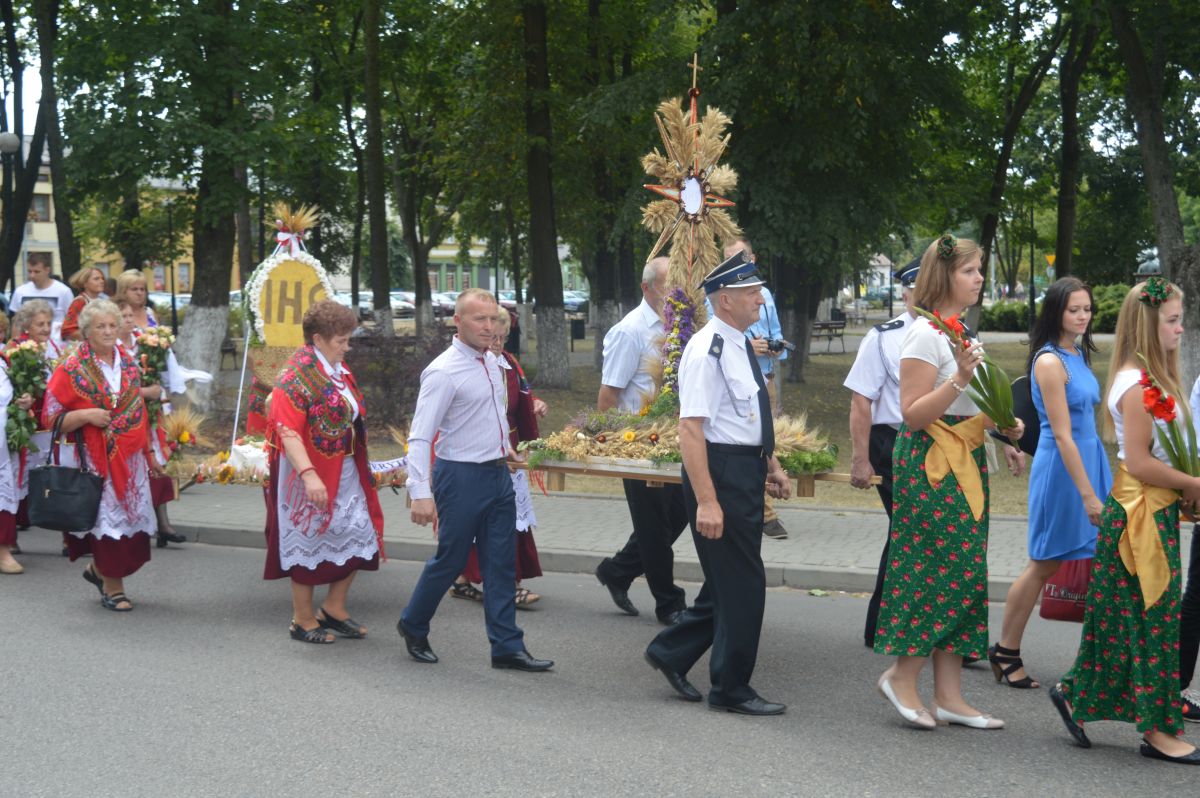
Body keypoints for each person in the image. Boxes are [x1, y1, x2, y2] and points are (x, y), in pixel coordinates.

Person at [872, 234, 1021, 730]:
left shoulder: (959, 331)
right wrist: (958, 376)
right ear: (945, 276)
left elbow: (966, 409)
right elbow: (912, 415)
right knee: (936, 571)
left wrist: (1004, 429)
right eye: (969, 271)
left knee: (965, 573)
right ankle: (901, 677)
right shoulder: (924, 334)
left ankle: (950, 696)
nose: (979, 278)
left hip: (965, 460)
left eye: (979, 270)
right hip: (931, 464)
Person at [1050, 278, 1200, 764]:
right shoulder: (1137, 386)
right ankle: (1157, 731)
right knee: (1153, 622)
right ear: (1149, 325)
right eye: (1172, 320)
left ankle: (1075, 692)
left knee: (1122, 622)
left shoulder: (1153, 378)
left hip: (1151, 511)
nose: (1180, 328)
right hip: (1138, 517)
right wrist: (1193, 484)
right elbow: (1138, 461)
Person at [644, 250, 792, 716]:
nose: (760, 299)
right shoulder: (706, 348)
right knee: (745, 585)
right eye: (752, 293)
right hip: (720, 473)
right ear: (725, 299)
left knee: (728, 580)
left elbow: (748, 415)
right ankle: (730, 688)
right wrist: (707, 501)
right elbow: (692, 429)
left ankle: (670, 652)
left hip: (744, 468)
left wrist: (771, 464)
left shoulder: (739, 342)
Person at [398, 288, 553, 672]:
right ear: (458, 321)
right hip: (460, 476)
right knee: (451, 560)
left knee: (501, 563)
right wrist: (420, 492)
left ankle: (506, 647)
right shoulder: (443, 371)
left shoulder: (494, 362)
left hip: (498, 473)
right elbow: (420, 436)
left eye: (492, 319)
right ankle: (413, 624)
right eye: (479, 319)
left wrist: (506, 448)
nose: (488, 326)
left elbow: (490, 415)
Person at [990, 278, 1110, 689]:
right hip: (1062, 471)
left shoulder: (1077, 353)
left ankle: (1097, 663)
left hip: (1089, 461)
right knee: (1044, 562)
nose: (1082, 316)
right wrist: (1088, 495)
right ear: (1056, 312)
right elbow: (1061, 435)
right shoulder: (1049, 361)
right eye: (1074, 309)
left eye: (1087, 309)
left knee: (1086, 560)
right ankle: (1006, 651)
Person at [262, 299, 384, 644]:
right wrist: (309, 475)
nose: (347, 347)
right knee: (310, 538)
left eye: (348, 339)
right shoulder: (296, 375)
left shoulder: (335, 368)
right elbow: (286, 429)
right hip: (308, 472)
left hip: (344, 468)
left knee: (359, 533)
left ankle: (333, 607)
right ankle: (302, 619)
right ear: (317, 339)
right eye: (341, 340)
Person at [46, 299, 160, 611]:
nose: (109, 331)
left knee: (133, 527)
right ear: (87, 331)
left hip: (131, 458)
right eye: (101, 326)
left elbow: (138, 410)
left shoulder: (128, 362)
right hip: (95, 459)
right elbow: (51, 418)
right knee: (108, 523)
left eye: (112, 325)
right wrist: (86, 416)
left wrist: (150, 452)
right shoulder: (71, 368)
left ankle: (98, 571)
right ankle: (113, 588)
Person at [594, 257, 689, 624]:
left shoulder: (679, 327)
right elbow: (608, 395)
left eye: (678, 285)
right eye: (667, 286)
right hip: (637, 444)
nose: (674, 294)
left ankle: (617, 571)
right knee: (654, 526)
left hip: (671, 440)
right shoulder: (629, 331)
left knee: (681, 513)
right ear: (646, 288)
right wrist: (611, 444)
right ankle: (669, 603)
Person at [844, 260, 919, 647]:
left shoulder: (958, 334)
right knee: (909, 528)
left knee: (918, 532)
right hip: (893, 443)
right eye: (916, 290)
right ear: (905, 295)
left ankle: (909, 625)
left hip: (943, 447)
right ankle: (883, 625)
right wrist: (860, 458)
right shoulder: (883, 337)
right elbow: (861, 400)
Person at [452, 308, 548, 608]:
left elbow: (517, 396)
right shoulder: (470, 365)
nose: (496, 343)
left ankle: (464, 579)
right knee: (491, 519)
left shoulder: (508, 362)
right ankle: (506, 585)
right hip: (481, 451)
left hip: (509, 448)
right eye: (492, 337)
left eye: (502, 338)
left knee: (507, 516)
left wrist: (534, 403)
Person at [715, 238, 789, 539]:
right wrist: (749, 346)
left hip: (765, 378)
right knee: (746, 444)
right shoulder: (720, 293)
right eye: (728, 258)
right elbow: (719, 332)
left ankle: (761, 505)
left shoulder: (765, 295)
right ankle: (765, 514)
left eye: (740, 257)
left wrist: (774, 347)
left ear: (753, 258)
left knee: (765, 440)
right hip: (737, 385)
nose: (735, 262)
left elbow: (776, 334)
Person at [8, 300, 63, 541]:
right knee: (20, 476)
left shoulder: (53, 347)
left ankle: (65, 530)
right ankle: (11, 533)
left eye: (48, 323)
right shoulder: (16, 349)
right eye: (40, 324)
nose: (46, 328)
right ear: (26, 325)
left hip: (49, 423)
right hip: (27, 424)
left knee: (52, 473)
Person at [8, 254, 74, 342]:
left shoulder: (63, 291)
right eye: (29, 271)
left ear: (47, 270)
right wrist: (15, 342)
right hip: (27, 344)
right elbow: (16, 322)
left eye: (37, 272)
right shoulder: (20, 291)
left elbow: (71, 321)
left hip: (56, 342)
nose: (32, 276)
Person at [0, 351, 23, 574]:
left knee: (3, 494)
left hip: (3, 441)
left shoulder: (4, 360)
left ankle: (2, 551)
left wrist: (23, 402)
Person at [60, 267, 109, 341]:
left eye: (102, 278)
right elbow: (67, 330)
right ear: (85, 283)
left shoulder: (104, 301)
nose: (102, 281)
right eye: (96, 279)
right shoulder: (79, 302)